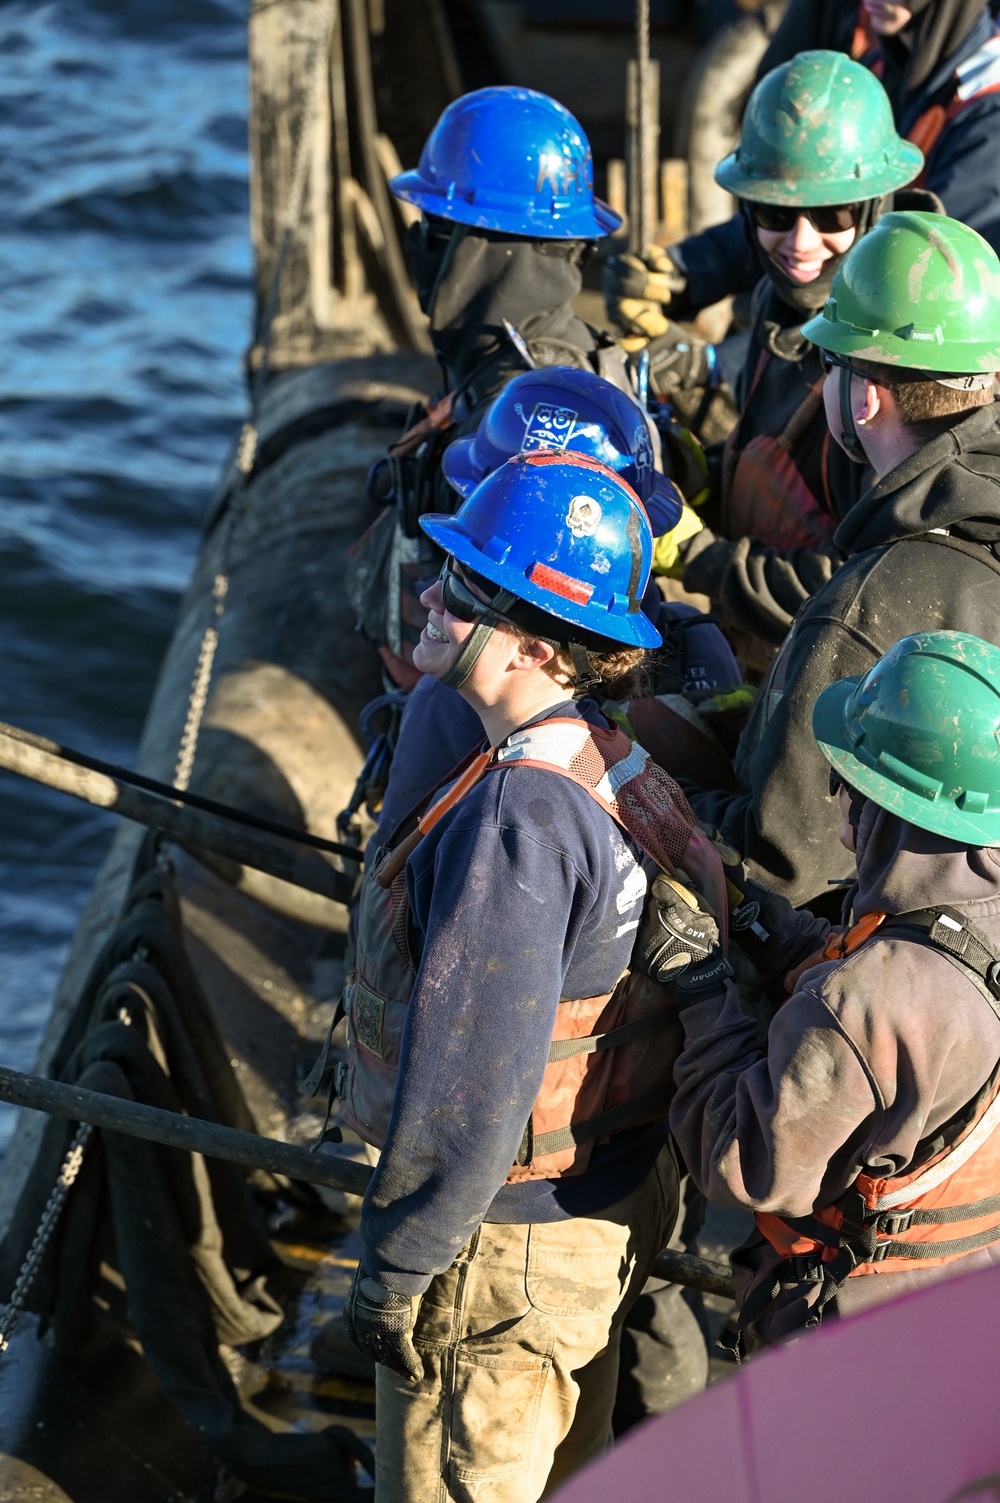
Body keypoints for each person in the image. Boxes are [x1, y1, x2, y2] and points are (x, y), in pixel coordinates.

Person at [337, 451, 727, 1501]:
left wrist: (401, 1259)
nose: (426, 592)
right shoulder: (606, 761)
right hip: (596, 1214)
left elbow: (474, 1079)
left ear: (536, 644)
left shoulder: (518, 815)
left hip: (500, 1259)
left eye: (459, 587)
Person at [661, 629, 1000, 1355]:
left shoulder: (864, 1003)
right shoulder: (971, 925)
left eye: (851, 781)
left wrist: (700, 983)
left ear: (891, 808)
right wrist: (755, 919)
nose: (837, 798)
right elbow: (904, 966)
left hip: (864, 1348)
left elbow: (741, 1158)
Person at [679, 209, 1000, 908]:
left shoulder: (865, 606)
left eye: (831, 360)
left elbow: (775, 870)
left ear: (865, 395)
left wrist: (641, 780)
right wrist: (767, 717)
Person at [350, 85, 700, 693]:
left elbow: (540, 623)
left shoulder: (542, 410)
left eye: (437, 229)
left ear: (483, 250)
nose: (421, 245)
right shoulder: (516, 361)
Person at [609, 53, 925, 675]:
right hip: (765, 666)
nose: (801, 243)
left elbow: (866, 590)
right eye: (777, 215)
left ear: (876, 208)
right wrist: (697, 409)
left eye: (832, 216)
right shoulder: (777, 302)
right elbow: (778, 473)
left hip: (848, 697)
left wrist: (700, 556)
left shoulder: (903, 363)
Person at [608, 0, 1000, 327]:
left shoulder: (989, 110)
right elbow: (804, 206)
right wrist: (688, 270)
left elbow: (909, 284)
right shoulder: (891, 65)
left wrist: (710, 369)